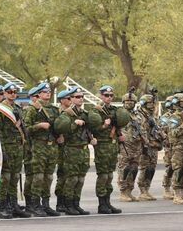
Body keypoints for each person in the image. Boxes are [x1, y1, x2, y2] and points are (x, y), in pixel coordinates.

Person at [54, 86, 97, 215]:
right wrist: (74, 124)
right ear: (71, 99)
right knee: (71, 179)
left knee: (80, 179)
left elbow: (89, 129)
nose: (80, 99)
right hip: (71, 150)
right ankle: (67, 205)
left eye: (81, 97)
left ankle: (76, 204)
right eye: (77, 97)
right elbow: (61, 131)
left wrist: (91, 139)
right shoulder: (66, 114)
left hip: (83, 149)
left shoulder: (85, 114)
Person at [23, 82, 61, 217]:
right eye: (45, 92)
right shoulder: (32, 109)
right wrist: (39, 125)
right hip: (39, 146)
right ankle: (34, 205)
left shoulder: (54, 109)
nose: (48, 94)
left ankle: (46, 204)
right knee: (38, 177)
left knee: (49, 177)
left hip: (52, 146)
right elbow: (26, 129)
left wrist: (60, 135)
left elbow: (58, 126)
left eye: (49, 92)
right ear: (38, 94)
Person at [0, 83, 31, 219]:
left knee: (15, 178)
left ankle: (13, 205)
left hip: (18, 148)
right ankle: (3, 206)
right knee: (5, 179)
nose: (13, 94)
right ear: (4, 93)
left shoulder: (17, 108)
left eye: (15, 92)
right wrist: (2, 150)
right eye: (9, 92)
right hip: (6, 147)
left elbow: (23, 128)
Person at [88, 85, 126, 214]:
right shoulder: (95, 111)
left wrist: (120, 135)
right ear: (101, 96)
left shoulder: (114, 110)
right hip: (102, 146)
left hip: (113, 146)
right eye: (106, 95)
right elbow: (92, 129)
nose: (109, 98)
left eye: (111, 95)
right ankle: (101, 204)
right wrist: (104, 125)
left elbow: (118, 125)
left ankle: (108, 202)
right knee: (103, 175)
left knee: (110, 175)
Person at [164, 93, 183, 204]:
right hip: (178, 146)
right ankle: (176, 194)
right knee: (178, 170)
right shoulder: (173, 117)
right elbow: (174, 133)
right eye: (182, 102)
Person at [136, 93, 163, 201]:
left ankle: (147, 189)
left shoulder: (152, 115)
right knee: (144, 168)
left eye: (153, 103)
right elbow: (141, 131)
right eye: (149, 103)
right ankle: (142, 190)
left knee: (151, 168)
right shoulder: (140, 115)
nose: (152, 105)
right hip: (145, 145)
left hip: (154, 145)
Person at [117, 90, 142, 202]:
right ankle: (123, 191)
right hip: (125, 145)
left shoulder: (137, 115)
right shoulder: (120, 113)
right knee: (124, 168)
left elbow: (142, 129)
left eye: (132, 101)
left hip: (136, 145)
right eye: (127, 101)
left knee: (134, 168)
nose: (129, 103)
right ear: (123, 102)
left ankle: (129, 191)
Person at [54, 88, 73, 213]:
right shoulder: (58, 112)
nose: (71, 100)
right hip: (61, 147)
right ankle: (60, 202)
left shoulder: (71, 112)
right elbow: (55, 127)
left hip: (70, 146)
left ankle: (67, 201)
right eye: (69, 98)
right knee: (62, 175)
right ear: (62, 100)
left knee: (69, 175)